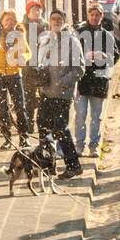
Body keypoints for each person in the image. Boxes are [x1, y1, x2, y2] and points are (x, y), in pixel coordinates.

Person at [37, 9, 84, 179]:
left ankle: (73, 165)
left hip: (62, 94)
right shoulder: (46, 39)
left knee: (60, 129)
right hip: (46, 92)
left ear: (64, 22)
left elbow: (79, 69)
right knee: (42, 126)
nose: (56, 21)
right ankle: (48, 165)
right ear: (49, 21)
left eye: (59, 19)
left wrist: (61, 82)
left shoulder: (71, 41)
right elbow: (41, 61)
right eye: (53, 19)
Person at [75, 0, 118, 157]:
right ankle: (79, 145)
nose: (94, 17)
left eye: (97, 15)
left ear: (101, 17)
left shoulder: (107, 36)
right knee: (80, 115)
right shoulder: (80, 33)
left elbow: (116, 56)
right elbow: (71, 54)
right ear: (88, 16)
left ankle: (94, 145)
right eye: (91, 15)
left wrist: (105, 56)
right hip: (82, 79)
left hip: (100, 80)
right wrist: (84, 57)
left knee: (96, 116)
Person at [0, 9, 30, 149]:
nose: (9, 23)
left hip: (15, 75)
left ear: (16, 23)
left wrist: (23, 58)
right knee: (3, 108)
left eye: (12, 20)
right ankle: (7, 138)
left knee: (20, 107)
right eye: (6, 20)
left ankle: (24, 137)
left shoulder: (19, 36)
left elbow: (28, 52)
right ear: (1, 22)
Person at [21, 1, 49, 137]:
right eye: (33, 10)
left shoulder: (46, 26)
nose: (37, 12)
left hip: (43, 65)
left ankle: (42, 122)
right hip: (28, 66)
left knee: (44, 95)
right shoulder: (23, 27)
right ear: (28, 12)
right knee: (29, 96)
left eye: (39, 10)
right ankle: (29, 122)